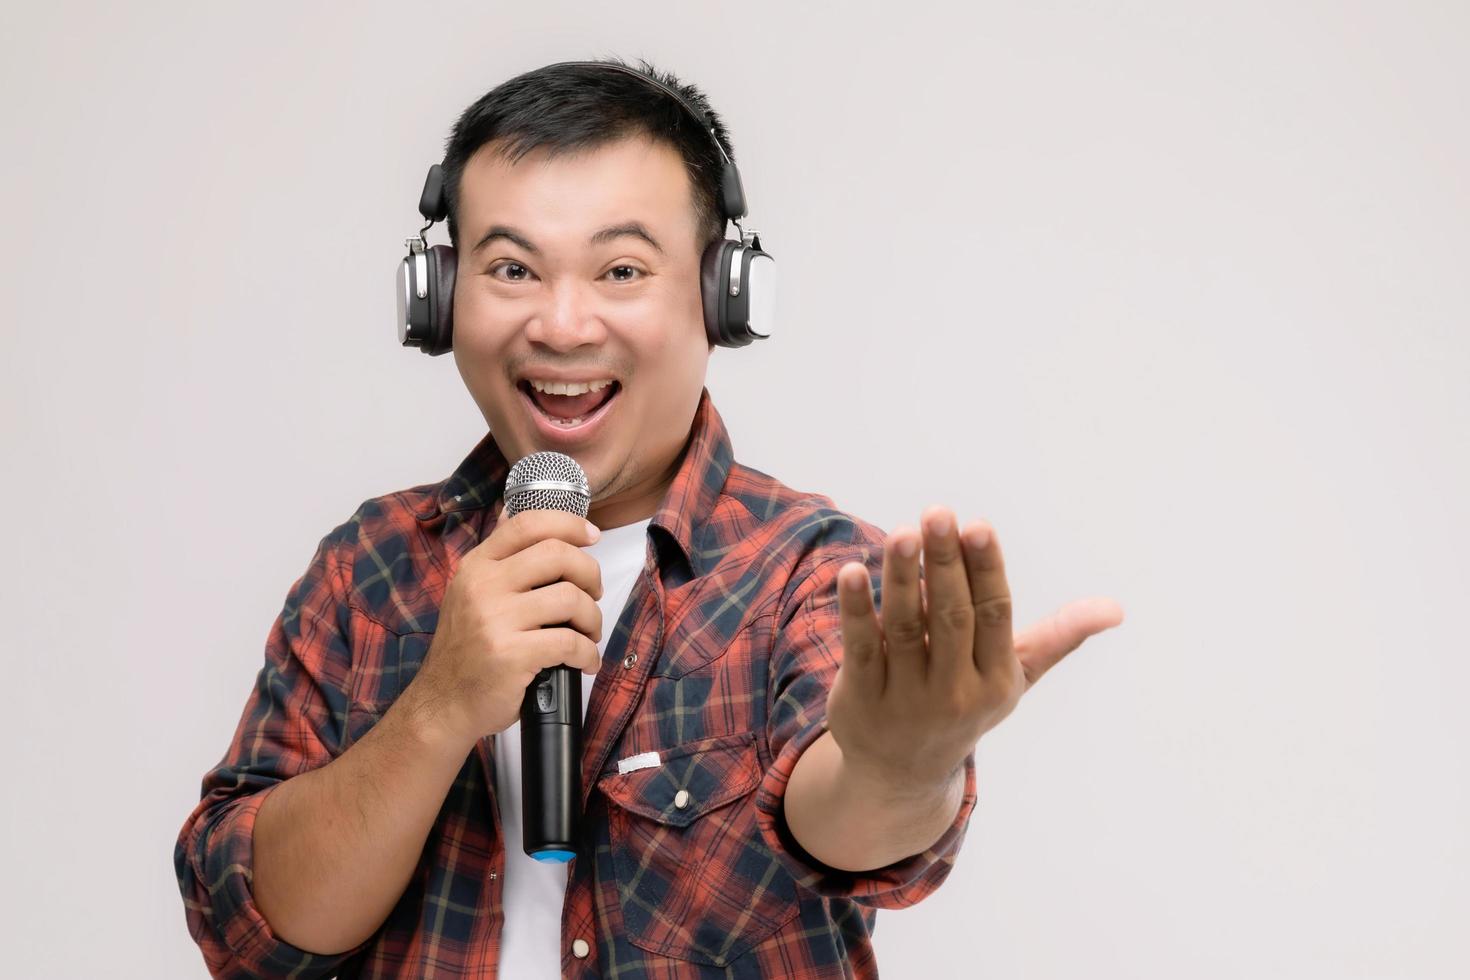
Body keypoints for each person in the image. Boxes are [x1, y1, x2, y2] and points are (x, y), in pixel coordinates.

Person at [174, 58, 1125, 979]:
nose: (562, 325)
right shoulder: (369, 571)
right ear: (438, 299)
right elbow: (254, 936)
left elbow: (847, 821)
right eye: (511, 269)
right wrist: (438, 709)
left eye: (621, 271)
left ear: (722, 297)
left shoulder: (812, 572)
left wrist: (902, 765)